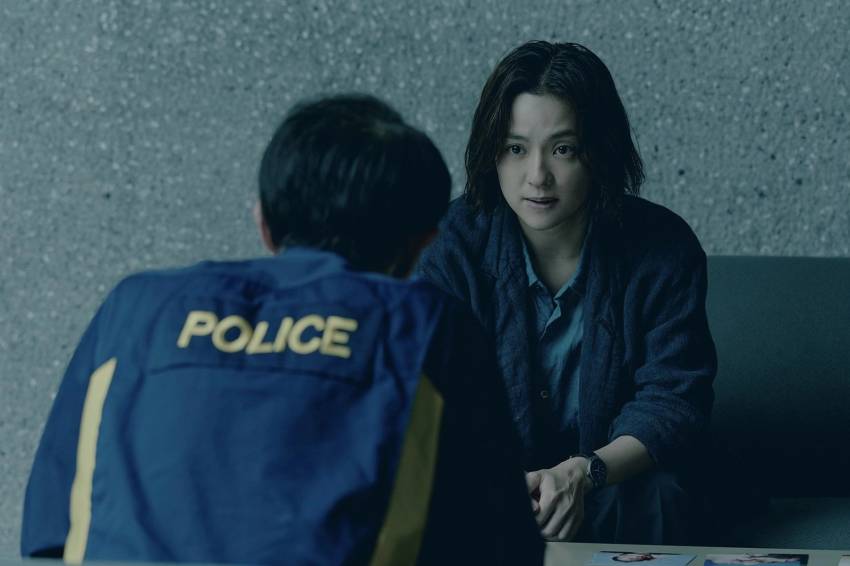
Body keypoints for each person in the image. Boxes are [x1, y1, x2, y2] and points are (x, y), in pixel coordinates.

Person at [21, 94, 544, 565]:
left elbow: (49, 534)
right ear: (421, 244)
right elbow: (503, 548)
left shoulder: (133, 307)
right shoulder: (429, 326)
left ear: (264, 225)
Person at [417, 40, 716, 544]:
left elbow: (673, 399)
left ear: (599, 152)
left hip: (611, 482)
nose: (537, 176)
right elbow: (430, 396)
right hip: (488, 486)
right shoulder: (451, 245)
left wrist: (582, 473)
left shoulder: (662, 248)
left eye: (563, 149)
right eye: (515, 149)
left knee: (664, 496)